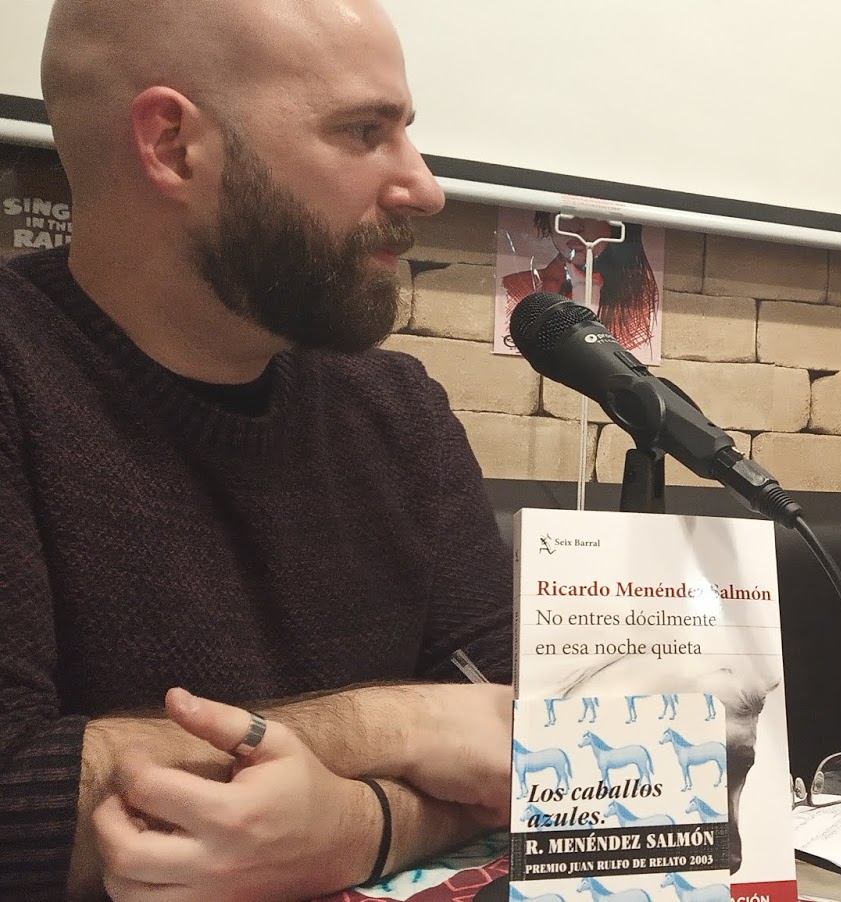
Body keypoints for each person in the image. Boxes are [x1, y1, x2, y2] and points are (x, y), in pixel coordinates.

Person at [0, 1, 518, 899]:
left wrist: (360, 827)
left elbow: (525, 752)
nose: (425, 188)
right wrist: (391, 728)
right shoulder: (19, 380)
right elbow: (16, 802)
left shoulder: (399, 413)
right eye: (365, 132)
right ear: (172, 146)